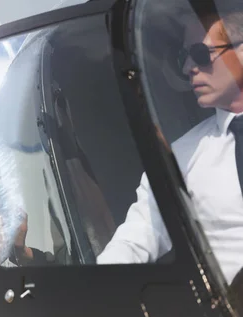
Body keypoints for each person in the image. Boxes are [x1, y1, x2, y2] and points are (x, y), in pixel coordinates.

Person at [96, 6, 243, 285]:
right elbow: (136, 238)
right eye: (183, 56)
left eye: (201, 53)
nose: (189, 67)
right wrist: (96, 289)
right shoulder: (179, 157)